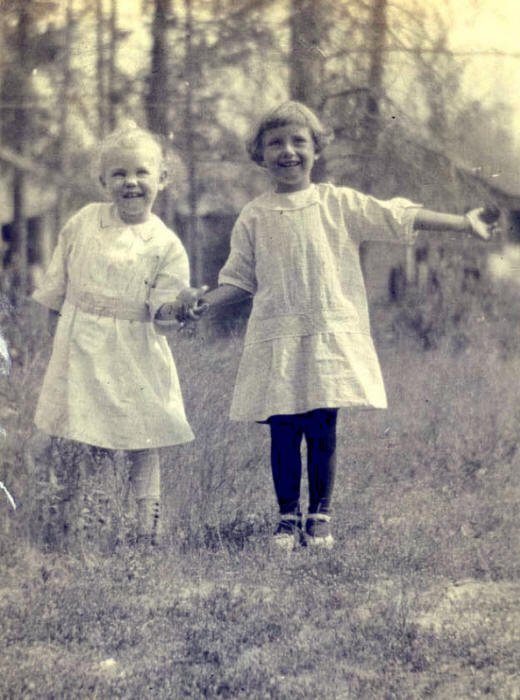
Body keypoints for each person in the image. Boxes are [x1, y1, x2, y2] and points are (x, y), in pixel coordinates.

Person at [163, 101, 499, 550]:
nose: (288, 151)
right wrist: (203, 304)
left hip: (327, 334)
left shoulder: (338, 203)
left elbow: (397, 215)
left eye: (298, 141)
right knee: (283, 429)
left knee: (322, 426)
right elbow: (239, 280)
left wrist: (462, 222)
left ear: (316, 150)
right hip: (277, 337)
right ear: (261, 155)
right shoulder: (255, 215)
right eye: (275, 143)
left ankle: (319, 516)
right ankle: (286, 519)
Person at [32, 123, 200, 546]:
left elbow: (162, 311)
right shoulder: (85, 221)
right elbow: (58, 284)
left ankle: (147, 528)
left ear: (162, 179)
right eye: (119, 173)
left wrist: (179, 308)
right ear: (103, 180)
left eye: (142, 172)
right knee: (83, 433)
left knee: (142, 437)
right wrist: (56, 340)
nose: (131, 182)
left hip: (133, 351)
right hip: (81, 348)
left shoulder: (165, 244)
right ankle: (77, 522)